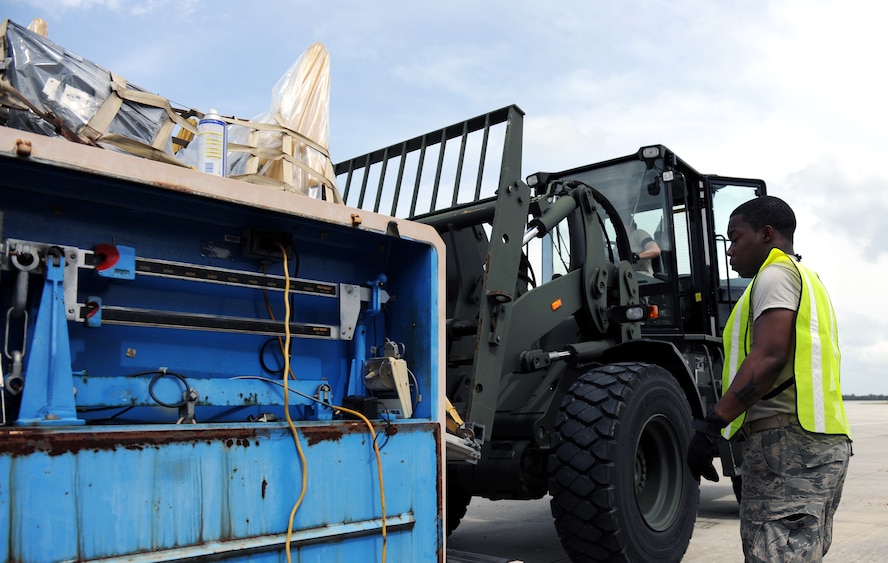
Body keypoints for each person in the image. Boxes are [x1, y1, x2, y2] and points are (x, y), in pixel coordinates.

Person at [686, 195, 852, 562]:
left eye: (735, 237)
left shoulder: (774, 276)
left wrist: (712, 424)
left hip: (787, 446)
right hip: (820, 443)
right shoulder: (805, 276)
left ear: (766, 234)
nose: (729, 250)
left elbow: (768, 356)